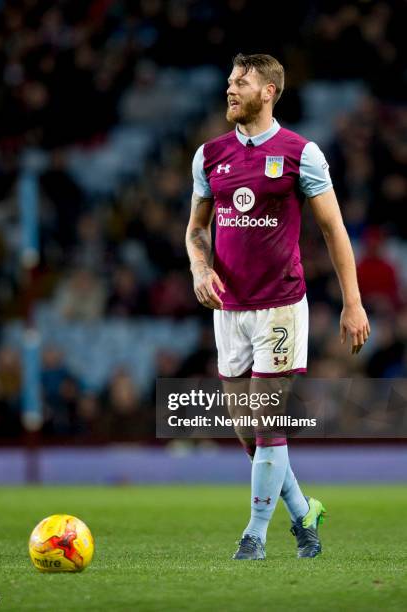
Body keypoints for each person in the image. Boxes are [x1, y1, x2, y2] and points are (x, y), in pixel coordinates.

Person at [185, 54, 370, 560]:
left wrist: (352, 303)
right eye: (228, 81)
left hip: (280, 308)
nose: (230, 89)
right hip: (230, 309)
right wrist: (201, 269)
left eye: (241, 83)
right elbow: (197, 228)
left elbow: (333, 229)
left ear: (268, 92)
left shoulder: (300, 153)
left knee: (267, 421)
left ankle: (256, 536)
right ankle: (304, 510)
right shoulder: (209, 155)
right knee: (248, 431)